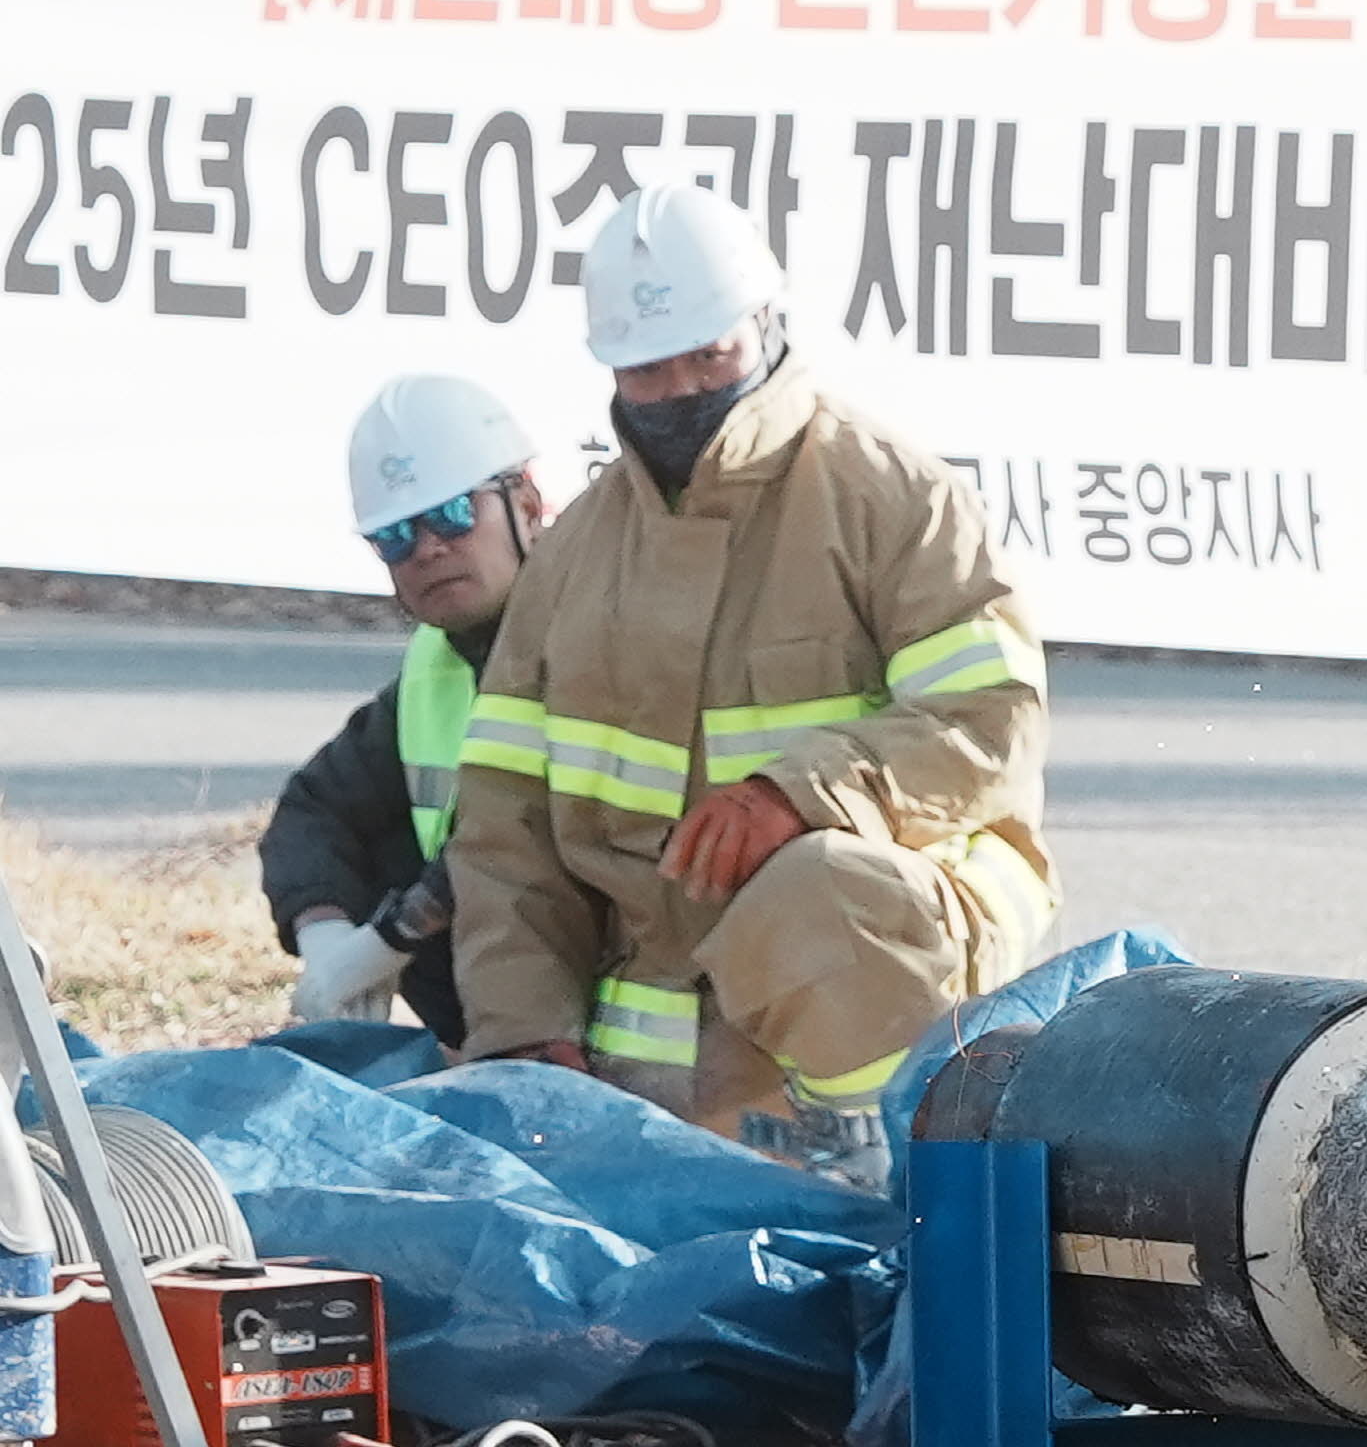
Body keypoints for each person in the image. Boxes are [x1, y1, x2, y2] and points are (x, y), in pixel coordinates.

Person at [446, 183, 1058, 1192]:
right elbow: (505, 828)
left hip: (883, 968)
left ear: (768, 327)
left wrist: (798, 796)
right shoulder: (573, 561)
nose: (684, 388)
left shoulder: (894, 501)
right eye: (648, 369)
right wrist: (524, 1031)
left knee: (818, 893)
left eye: (712, 355)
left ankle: (894, 1176)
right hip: (659, 1039)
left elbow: (989, 725)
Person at [260, 376, 551, 1047]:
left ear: (528, 506)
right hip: (490, 1004)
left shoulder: (595, 634)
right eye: (393, 535)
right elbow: (315, 807)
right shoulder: (436, 661)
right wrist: (326, 932)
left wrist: (390, 938)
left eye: (452, 514)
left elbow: (523, 835)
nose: (426, 548)